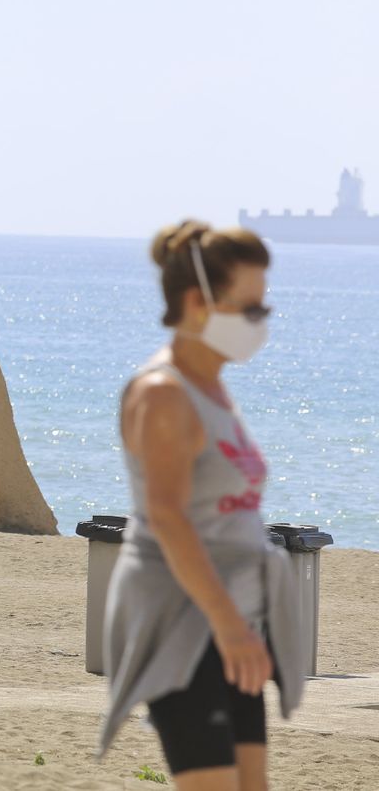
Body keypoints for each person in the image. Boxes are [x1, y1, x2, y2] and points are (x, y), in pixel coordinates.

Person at [97, 220, 308, 790]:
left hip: (232, 616)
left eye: (264, 309)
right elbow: (167, 517)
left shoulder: (213, 388)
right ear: (197, 302)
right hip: (183, 619)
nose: (260, 323)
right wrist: (229, 626)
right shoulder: (163, 394)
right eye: (250, 309)